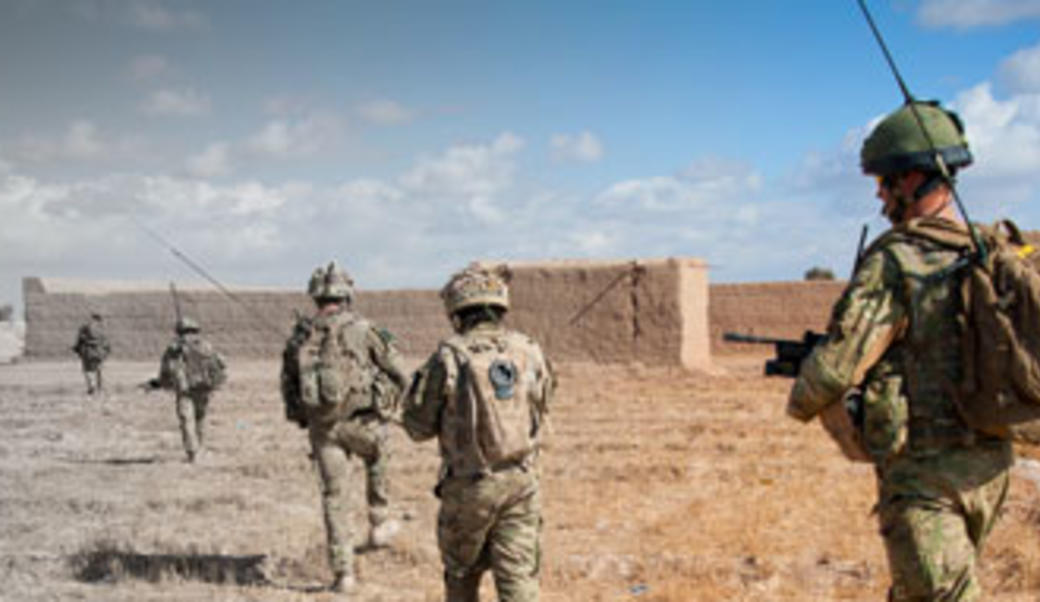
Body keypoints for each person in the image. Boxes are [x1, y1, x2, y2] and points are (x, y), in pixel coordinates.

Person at [787, 100, 1013, 601]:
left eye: (883, 182)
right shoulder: (989, 250)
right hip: (990, 468)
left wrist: (802, 393)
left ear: (912, 179)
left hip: (926, 479)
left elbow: (834, 368)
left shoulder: (897, 259)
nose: (880, 196)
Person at [402, 264, 555, 602]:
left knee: (461, 575)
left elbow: (418, 427)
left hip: (469, 487)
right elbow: (544, 404)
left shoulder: (449, 356)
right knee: (519, 582)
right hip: (522, 481)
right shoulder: (529, 349)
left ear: (457, 311)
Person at [280, 261, 408, 594]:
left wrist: (303, 418)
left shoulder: (301, 336)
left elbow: (288, 386)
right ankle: (379, 520)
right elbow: (398, 369)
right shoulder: (364, 329)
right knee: (380, 453)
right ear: (347, 294)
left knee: (334, 498)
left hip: (323, 430)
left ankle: (344, 575)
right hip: (361, 423)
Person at [153, 316, 226, 463]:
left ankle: (193, 452)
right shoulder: (206, 346)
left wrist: (162, 384)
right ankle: (199, 448)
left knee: (186, 419)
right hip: (203, 387)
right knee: (200, 419)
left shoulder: (174, 348)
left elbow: (166, 369)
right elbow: (221, 364)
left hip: (185, 389)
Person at [72, 312, 111, 395]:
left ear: (92, 318)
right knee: (99, 369)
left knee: (87, 370)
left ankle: (91, 387)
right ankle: (100, 388)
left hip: (88, 351)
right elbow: (106, 342)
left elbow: (80, 340)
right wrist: (106, 351)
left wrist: (77, 349)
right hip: (100, 351)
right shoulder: (102, 329)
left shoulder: (84, 327)